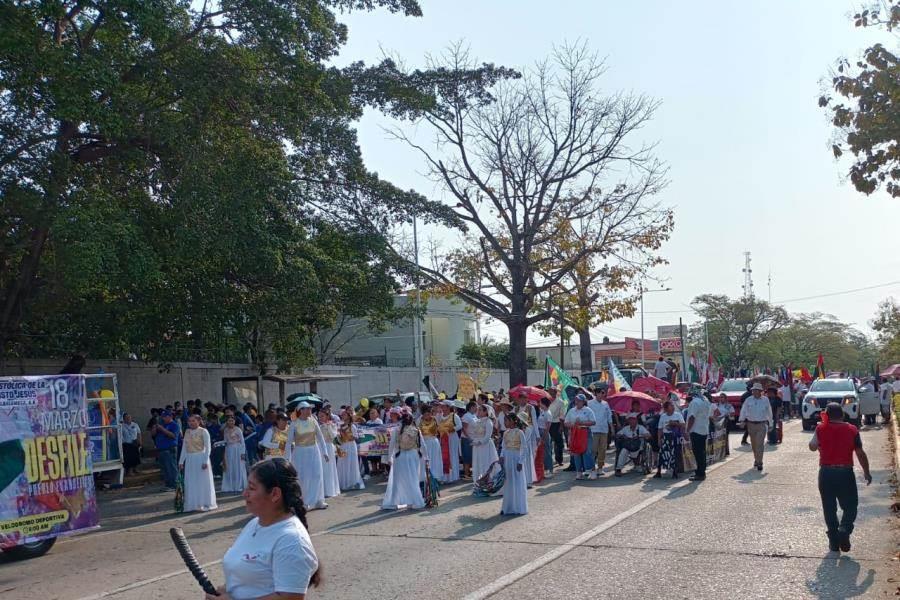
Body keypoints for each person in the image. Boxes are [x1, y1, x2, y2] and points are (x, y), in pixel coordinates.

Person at [211, 458, 319, 600]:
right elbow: (248, 578)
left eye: (252, 488)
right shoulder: (254, 524)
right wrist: (224, 591)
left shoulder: (291, 540)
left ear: (275, 494)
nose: (245, 494)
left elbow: (290, 597)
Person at [809, 403, 872, 553]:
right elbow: (860, 452)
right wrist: (866, 472)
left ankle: (833, 541)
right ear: (842, 415)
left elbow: (812, 446)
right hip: (845, 473)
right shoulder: (852, 429)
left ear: (827, 415)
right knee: (850, 506)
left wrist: (821, 434)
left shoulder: (820, 428)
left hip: (826, 473)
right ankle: (844, 529)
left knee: (829, 507)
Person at [287, 402, 329, 511]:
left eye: (310, 409)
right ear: (301, 410)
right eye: (308, 409)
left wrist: (325, 452)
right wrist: (288, 459)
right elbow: (288, 442)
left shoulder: (313, 421)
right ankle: (305, 502)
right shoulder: (294, 424)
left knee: (317, 474)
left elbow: (320, 437)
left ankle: (319, 500)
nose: (310, 411)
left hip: (314, 450)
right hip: (300, 452)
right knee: (304, 477)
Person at [382, 411, 426, 510]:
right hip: (413, 455)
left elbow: (392, 445)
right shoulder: (416, 430)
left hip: (400, 455)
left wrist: (389, 458)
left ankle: (395, 501)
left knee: (398, 480)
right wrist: (426, 457)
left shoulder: (396, 430)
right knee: (413, 479)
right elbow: (422, 445)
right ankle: (414, 501)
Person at [179, 414, 217, 512]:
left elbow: (208, 447)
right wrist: (181, 461)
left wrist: (205, 461)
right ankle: (192, 504)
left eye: (193, 421)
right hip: (190, 459)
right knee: (191, 481)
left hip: (201, 458)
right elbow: (184, 447)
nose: (191, 423)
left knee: (201, 481)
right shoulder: (187, 432)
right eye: (189, 421)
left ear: (198, 421)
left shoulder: (203, 431)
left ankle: (203, 503)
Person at [739, 383, 773, 471]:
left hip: (761, 424)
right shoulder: (748, 400)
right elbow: (744, 410)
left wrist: (771, 424)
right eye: (753, 390)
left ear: (760, 391)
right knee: (754, 444)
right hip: (751, 424)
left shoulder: (765, 400)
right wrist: (742, 420)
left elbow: (769, 412)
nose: (754, 392)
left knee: (759, 444)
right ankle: (756, 459)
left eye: (756, 390)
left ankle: (760, 462)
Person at [500, 413, 528, 516]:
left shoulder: (520, 432)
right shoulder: (506, 433)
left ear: (513, 421)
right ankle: (508, 507)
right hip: (507, 458)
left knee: (517, 481)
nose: (505, 422)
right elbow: (503, 446)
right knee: (509, 482)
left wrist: (521, 461)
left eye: (506, 420)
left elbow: (524, 448)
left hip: (516, 458)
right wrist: (501, 456)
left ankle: (518, 507)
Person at [564, 394, 596, 480]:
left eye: (579, 400)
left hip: (585, 432)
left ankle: (592, 470)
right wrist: (573, 424)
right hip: (575, 432)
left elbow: (593, 422)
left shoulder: (588, 410)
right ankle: (579, 472)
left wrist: (582, 422)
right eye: (576, 400)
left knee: (587, 451)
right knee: (576, 452)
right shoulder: (571, 411)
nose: (577, 402)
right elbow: (566, 422)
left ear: (583, 402)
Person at [586, 387, 614, 479]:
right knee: (593, 450)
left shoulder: (606, 404)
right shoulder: (589, 404)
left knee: (602, 449)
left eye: (603, 393)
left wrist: (612, 428)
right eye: (600, 393)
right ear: (596, 393)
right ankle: (592, 467)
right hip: (593, 429)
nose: (602, 395)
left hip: (604, 429)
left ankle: (600, 467)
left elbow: (609, 416)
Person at [685, 387, 711, 482]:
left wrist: (687, 430)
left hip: (695, 430)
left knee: (698, 453)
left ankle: (700, 473)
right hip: (704, 429)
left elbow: (692, 417)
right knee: (702, 452)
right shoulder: (705, 400)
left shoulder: (694, 402)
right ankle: (700, 472)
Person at [656, 399, 685, 479]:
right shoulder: (663, 416)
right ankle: (658, 471)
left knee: (674, 454)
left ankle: (675, 471)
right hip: (665, 436)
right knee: (662, 454)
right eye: (671, 405)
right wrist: (659, 439)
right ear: (666, 408)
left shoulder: (678, 415)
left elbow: (683, 425)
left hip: (675, 436)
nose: (673, 406)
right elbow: (660, 429)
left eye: (672, 405)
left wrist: (675, 423)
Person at [317, 406, 341, 500]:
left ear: (327, 416)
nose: (320, 418)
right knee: (322, 468)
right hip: (320, 448)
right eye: (319, 416)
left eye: (322, 416)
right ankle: (323, 490)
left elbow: (333, 436)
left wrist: (328, 427)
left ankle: (330, 490)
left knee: (329, 468)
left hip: (329, 447)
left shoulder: (332, 425)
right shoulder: (319, 426)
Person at [336, 410, 364, 491]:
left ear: (348, 416)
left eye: (344, 415)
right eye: (342, 415)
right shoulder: (340, 426)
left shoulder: (352, 426)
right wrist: (339, 437)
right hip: (343, 446)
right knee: (343, 463)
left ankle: (352, 483)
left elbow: (356, 437)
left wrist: (347, 435)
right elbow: (339, 438)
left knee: (351, 463)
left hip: (351, 445)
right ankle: (344, 483)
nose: (343, 416)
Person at [470, 404, 499, 481]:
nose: (478, 411)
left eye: (480, 410)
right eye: (478, 409)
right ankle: (478, 481)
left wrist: (479, 442)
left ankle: (486, 481)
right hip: (477, 446)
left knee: (484, 463)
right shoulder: (478, 421)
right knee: (477, 463)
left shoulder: (488, 422)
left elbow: (487, 436)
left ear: (486, 412)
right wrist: (473, 440)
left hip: (485, 446)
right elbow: (474, 433)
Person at [153, 410, 180, 491]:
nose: (163, 418)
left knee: (171, 467)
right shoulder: (162, 425)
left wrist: (162, 429)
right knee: (164, 468)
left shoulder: (174, 425)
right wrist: (155, 428)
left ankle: (174, 485)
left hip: (169, 449)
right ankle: (168, 484)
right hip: (161, 449)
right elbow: (153, 435)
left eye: (165, 417)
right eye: (163, 417)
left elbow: (173, 436)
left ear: (170, 417)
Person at [417, 404, 444, 483]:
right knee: (426, 460)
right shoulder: (419, 420)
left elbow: (441, 416)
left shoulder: (435, 419)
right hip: (424, 443)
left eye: (429, 413)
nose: (428, 415)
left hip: (434, 442)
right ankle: (425, 477)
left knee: (435, 460)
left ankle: (436, 476)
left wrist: (438, 409)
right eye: (426, 414)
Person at [221, 415, 248, 493]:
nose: (231, 422)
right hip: (229, 450)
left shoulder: (238, 429)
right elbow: (225, 441)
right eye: (229, 421)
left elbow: (242, 442)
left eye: (232, 421)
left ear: (234, 421)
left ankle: (239, 485)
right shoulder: (225, 430)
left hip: (237, 449)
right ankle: (230, 485)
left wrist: (243, 453)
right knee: (230, 467)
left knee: (238, 467)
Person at [437, 401, 462, 483]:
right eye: (441, 407)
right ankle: (445, 476)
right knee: (444, 456)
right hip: (443, 438)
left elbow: (459, 425)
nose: (442, 408)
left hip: (452, 438)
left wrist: (452, 429)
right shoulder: (440, 416)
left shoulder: (454, 416)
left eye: (443, 406)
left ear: (448, 407)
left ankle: (453, 476)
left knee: (452, 455)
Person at [547, 388, 566, 467]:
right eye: (549, 392)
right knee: (548, 443)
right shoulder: (546, 400)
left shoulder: (560, 402)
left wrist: (561, 426)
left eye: (552, 392)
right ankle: (549, 460)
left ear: (555, 393)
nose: (550, 394)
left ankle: (559, 459)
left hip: (557, 423)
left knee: (559, 443)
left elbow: (562, 415)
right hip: (548, 424)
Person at [460, 401, 478, 479]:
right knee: (467, 456)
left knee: (472, 456)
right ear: (471, 407)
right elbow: (464, 428)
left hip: (473, 438)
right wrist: (469, 438)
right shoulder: (466, 416)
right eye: (475, 407)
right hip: (467, 439)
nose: (477, 408)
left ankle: (470, 472)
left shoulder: (474, 415)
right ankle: (466, 473)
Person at [538, 397, 554, 479]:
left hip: (544, 433)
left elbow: (547, 427)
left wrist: (543, 438)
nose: (539, 404)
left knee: (547, 452)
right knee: (543, 452)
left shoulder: (548, 413)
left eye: (540, 402)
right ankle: (545, 469)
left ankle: (550, 469)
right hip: (540, 431)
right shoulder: (542, 412)